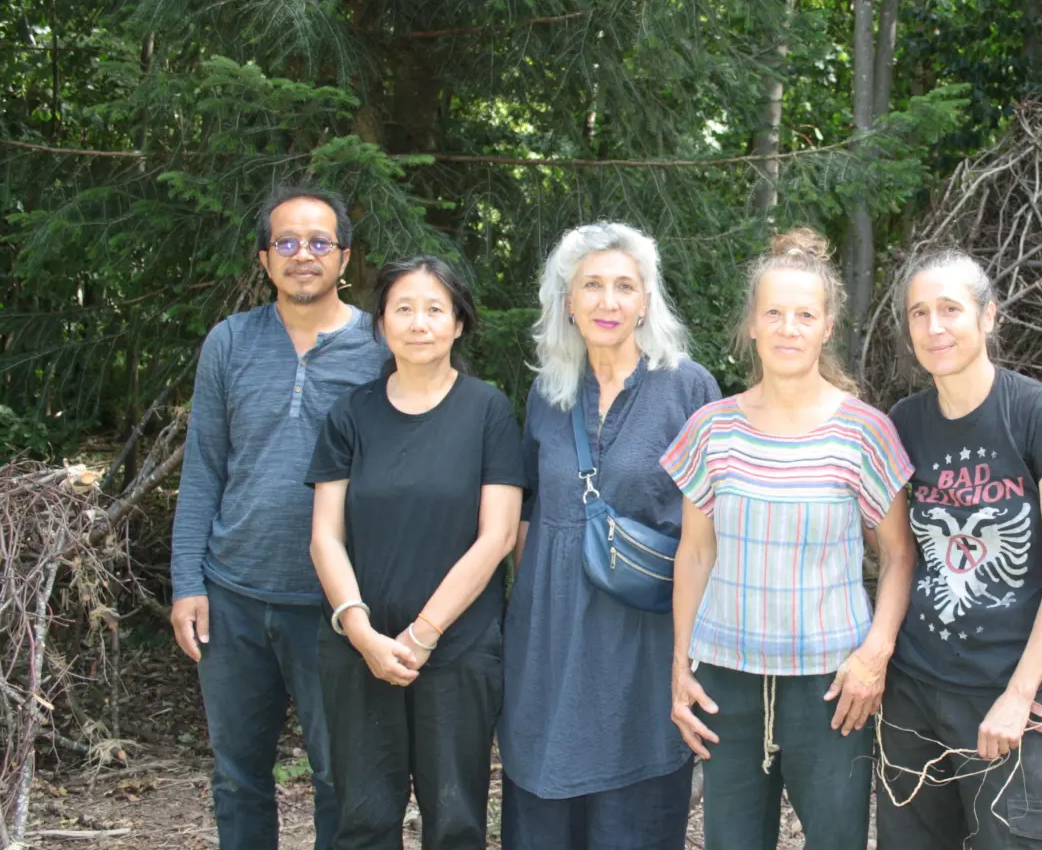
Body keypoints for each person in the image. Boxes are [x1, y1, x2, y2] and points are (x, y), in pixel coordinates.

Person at [663, 228, 917, 850]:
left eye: (805, 314)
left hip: (833, 686)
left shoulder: (865, 432)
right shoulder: (711, 428)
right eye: (773, 313)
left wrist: (874, 656)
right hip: (727, 684)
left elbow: (898, 557)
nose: (788, 327)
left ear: (828, 326)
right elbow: (695, 553)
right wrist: (680, 665)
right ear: (751, 324)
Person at [169, 185, 386, 850]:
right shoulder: (230, 343)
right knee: (237, 778)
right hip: (232, 597)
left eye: (318, 242)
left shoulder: (380, 349)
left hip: (336, 605)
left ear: (344, 257)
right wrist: (187, 584)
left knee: (339, 779)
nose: (302, 255)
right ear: (264, 259)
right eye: (286, 242)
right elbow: (203, 466)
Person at [499, 222, 719, 850]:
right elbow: (528, 514)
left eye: (625, 286)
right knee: (544, 803)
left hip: (644, 637)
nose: (608, 301)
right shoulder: (547, 391)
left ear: (647, 299)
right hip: (550, 636)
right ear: (567, 299)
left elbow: (711, 527)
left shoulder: (689, 387)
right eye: (591, 285)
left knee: (636, 810)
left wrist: (692, 649)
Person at [874, 249, 1042, 850]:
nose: (934, 327)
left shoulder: (1040, 415)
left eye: (950, 309)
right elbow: (900, 555)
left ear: (988, 316)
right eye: (919, 313)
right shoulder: (904, 422)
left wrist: (1019, 697)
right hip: (915, 692)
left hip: (1010, 688)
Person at [305, 256, 524, 850]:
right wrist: (360, 631)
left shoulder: (488, 411)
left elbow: (498, 536)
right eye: (403, 308)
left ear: (458, 324)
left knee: (455, 823)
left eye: (435, 309)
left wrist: (424, 633)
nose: (419, 322)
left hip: (457, 650)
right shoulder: (350, 414)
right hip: (359, 650)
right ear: (381, 324)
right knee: (364, 821)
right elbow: (325, 534)